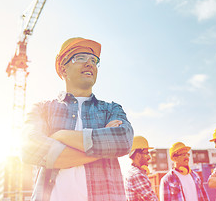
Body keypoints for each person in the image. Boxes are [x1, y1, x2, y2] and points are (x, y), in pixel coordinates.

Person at [21, 37, 134, 201]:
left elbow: (124, 140)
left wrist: (61, 136)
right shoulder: (42, 109)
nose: (90, 64)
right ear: (63, 69)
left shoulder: (112, 109)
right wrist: (105, 147)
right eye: (80, 58)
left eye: (94, 60)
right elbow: (29, 149)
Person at [124, 136, 158, 201]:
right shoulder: (137, 175)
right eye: (146, 153)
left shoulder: (131, 172)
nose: (149, 157)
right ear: (138, 156)